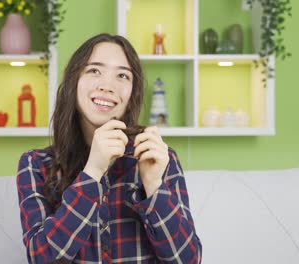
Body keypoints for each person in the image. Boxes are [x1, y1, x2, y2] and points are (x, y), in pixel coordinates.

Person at [16, 33, 202, 263]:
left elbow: (188, 260)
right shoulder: (35, 164)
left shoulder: (157, 158)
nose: (108, 86)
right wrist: (92, 172)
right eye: (94, 70)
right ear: (73, 81)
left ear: (132, 94)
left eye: (122, 75)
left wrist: (154, 186)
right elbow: (41, 257)